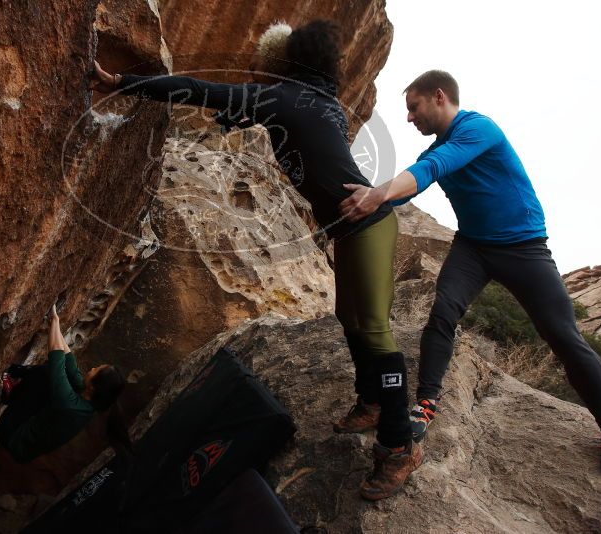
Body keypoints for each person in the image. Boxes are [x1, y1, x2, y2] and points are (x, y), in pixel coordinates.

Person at [90, 19, 421, 500]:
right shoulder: (320, 100)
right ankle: (371, 400)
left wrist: (124, 83)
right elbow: (286, 119)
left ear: (282, 65)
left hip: (369, 226)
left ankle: (399, 444)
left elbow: (195, 89)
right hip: (353, 227)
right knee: (348, 318)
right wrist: (247, 113)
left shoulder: (282, 99)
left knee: (372, 328)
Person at [339, 69, 601, 480]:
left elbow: (437, 165)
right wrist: (364, 197)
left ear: (439, 97)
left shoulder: (478, 129)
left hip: (523, 248)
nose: (409, 118)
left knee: (563, 336)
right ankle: (427, 402)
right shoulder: (436, 149)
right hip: (472, 247)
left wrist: (379, 193)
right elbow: (415, 182)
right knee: (443, 313)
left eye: (413, 108)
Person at [0, 305, 130, 463]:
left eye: (96, 370)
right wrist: (57, 322)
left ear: (93, 387)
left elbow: (56, 356)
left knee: (46, 375)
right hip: (23, 433)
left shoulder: (71, 406)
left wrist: (53, 321)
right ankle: (13, 383)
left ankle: (12, 391)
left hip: (10, 434)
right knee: (50, 375)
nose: (92, 368)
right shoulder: (89, 398)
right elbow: (69, 360)